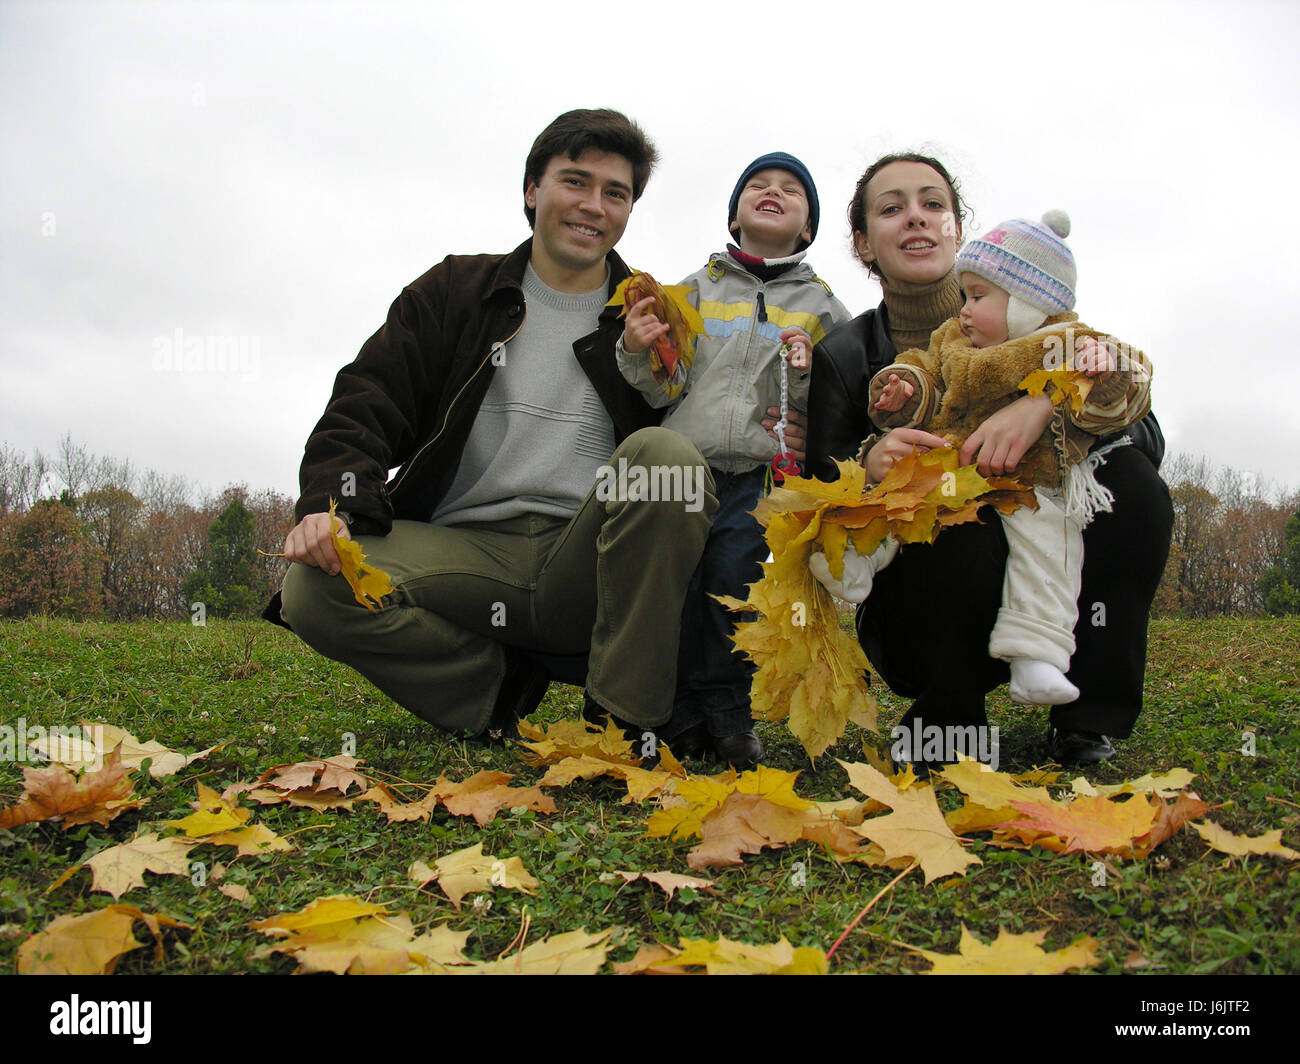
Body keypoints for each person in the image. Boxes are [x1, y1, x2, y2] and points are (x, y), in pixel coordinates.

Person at [263, 108, 719, 747]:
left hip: (588, 561)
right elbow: (366, 402)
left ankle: (626, 722)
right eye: (575, 182)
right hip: (468, 553)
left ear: (628, 210)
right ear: (533, 191)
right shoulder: (456, 290)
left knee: (669, 458)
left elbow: (700, 430)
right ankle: (495, 687)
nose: (593, 206)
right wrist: (329, 507)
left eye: (614, 193)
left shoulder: (651, 315)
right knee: (313, 590)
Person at [806, 154, 1173, 766]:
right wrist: (872, 460)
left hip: (1046, 535)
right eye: (892, 208)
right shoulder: (847, 353)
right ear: (865, 244)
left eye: (933, 205)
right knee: (949, 503)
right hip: (922, 592)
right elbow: (822, 476)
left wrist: (1047, 406)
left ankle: (1086, 719)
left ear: (958, 228)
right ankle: (948, 715)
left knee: (1130, 484)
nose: (916, 219)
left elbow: (1143, 432)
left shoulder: (1038, 321)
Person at [616, 152, 849, 768]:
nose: (772, 191)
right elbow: (665, 384)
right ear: (736, 213)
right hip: (683, 465)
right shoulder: (693, 286)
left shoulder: (822, 306)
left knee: (732, 585)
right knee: (679, 583)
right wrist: (639, 351)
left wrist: (804, 372)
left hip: (755, 474)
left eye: (792, 191)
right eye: (758, 185)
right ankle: (672, 712)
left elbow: (828, 406)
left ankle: (728, 713)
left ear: (806, 229)